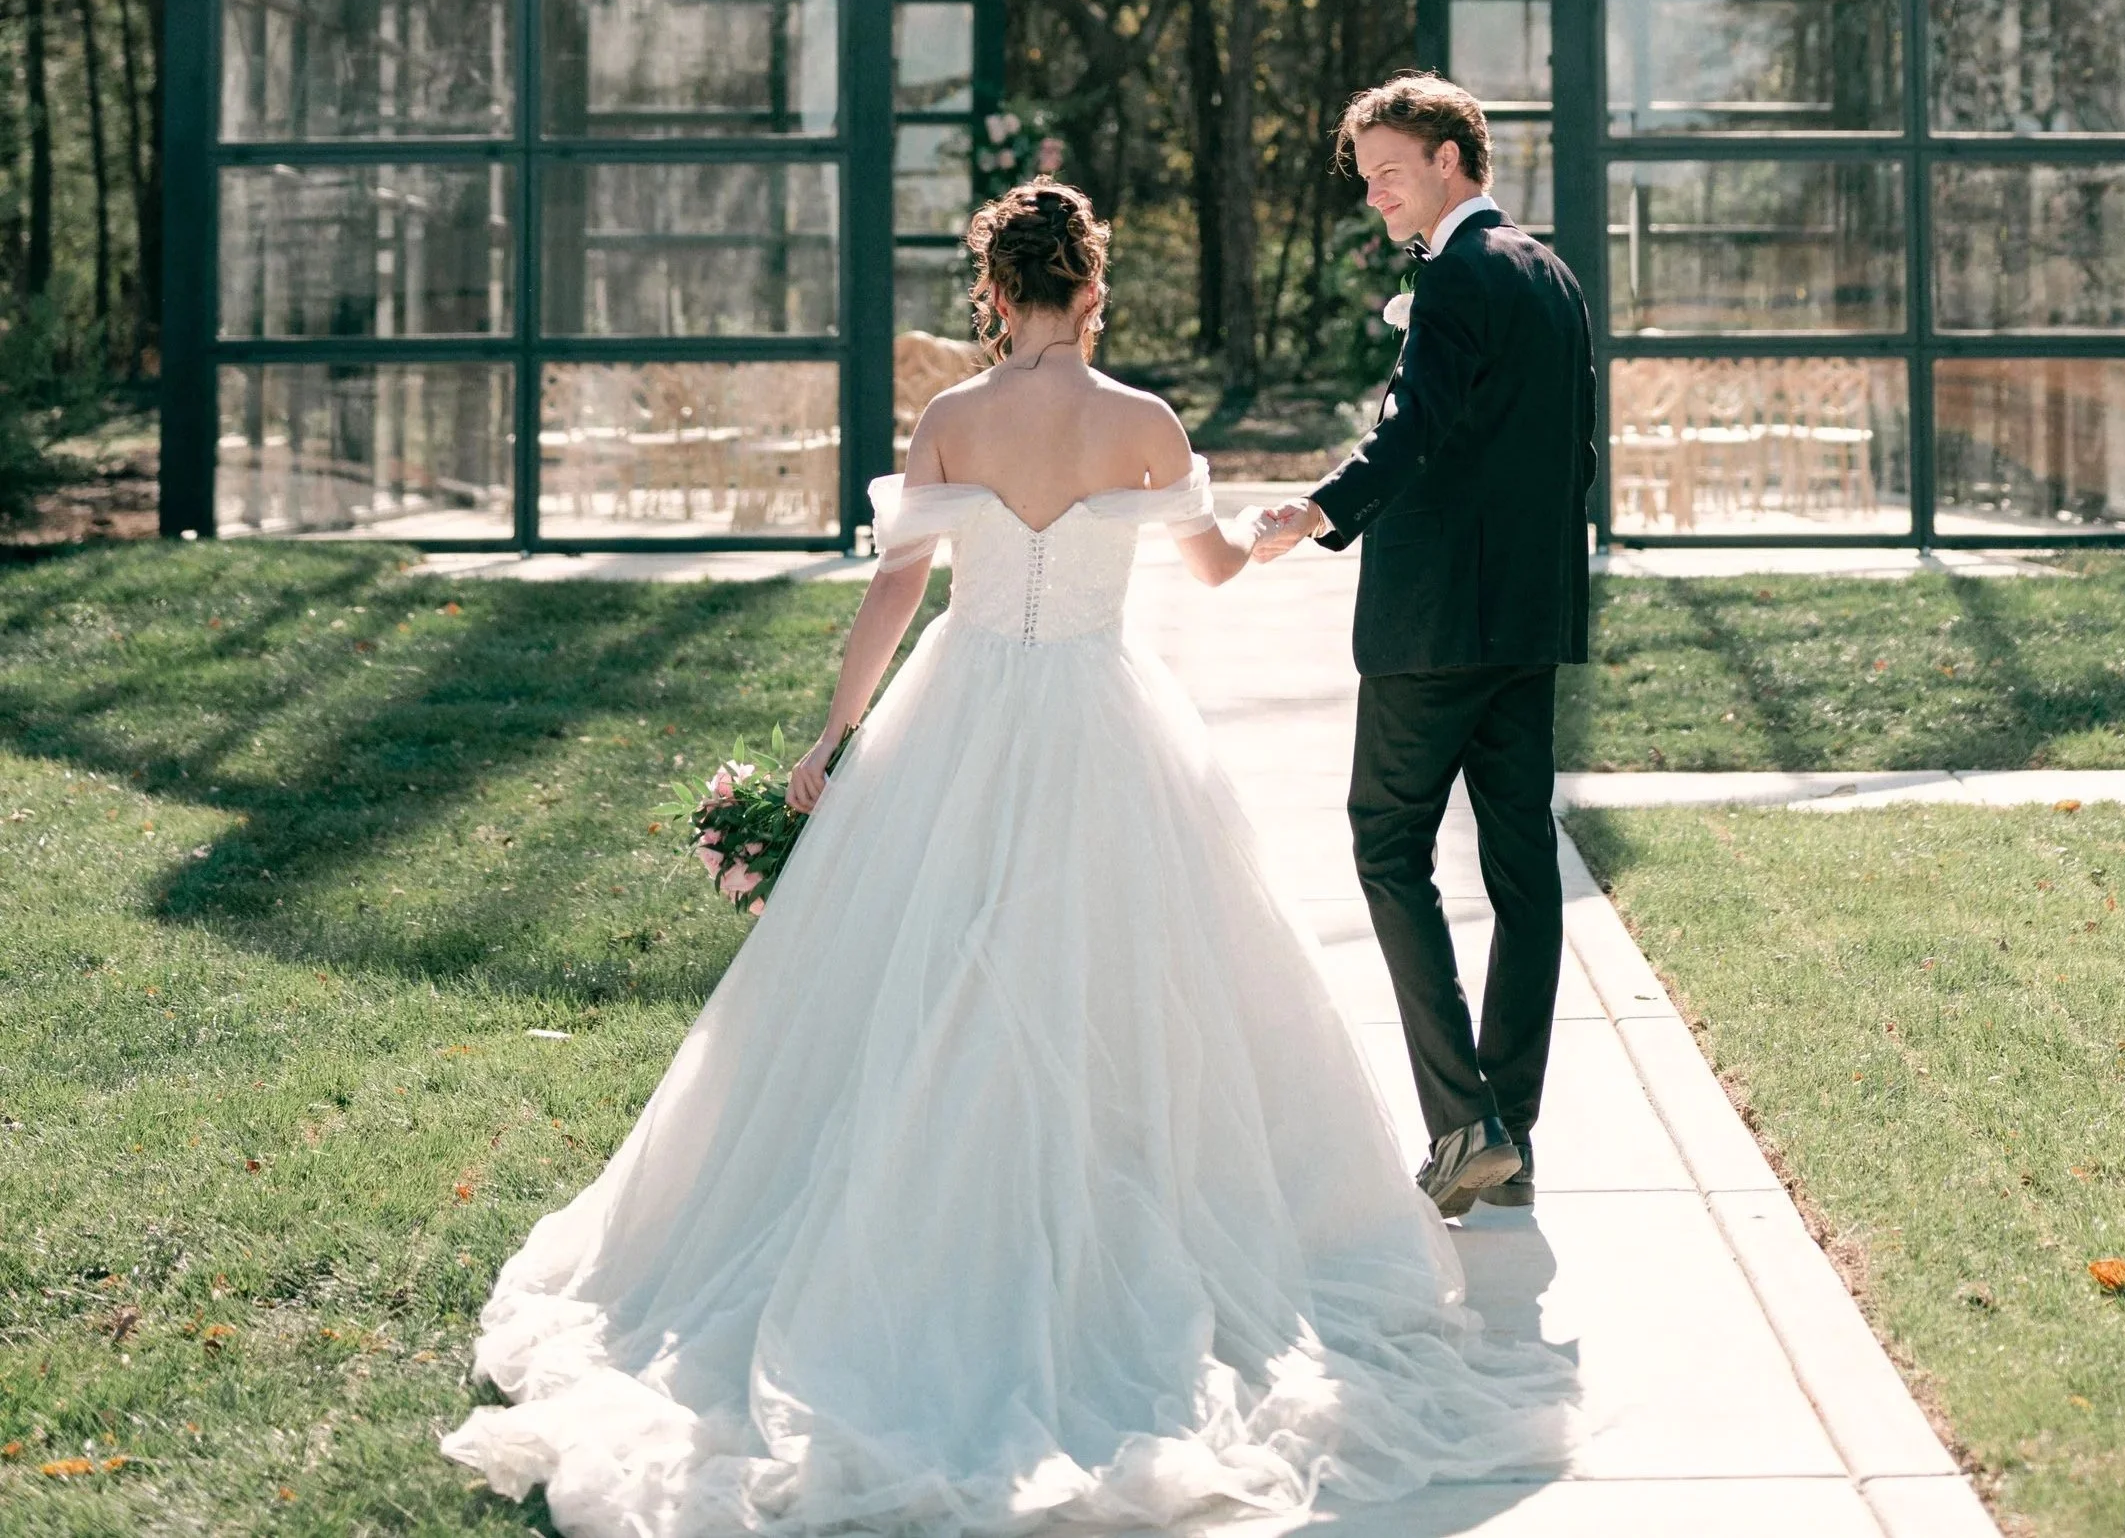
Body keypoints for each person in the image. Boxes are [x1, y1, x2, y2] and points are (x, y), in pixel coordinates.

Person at [443, 178, 1568, 1538]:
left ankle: (929, 1221)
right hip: (1102, 716)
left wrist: (834, 735)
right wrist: (1280, 527)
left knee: (929, 967)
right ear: (1090, 288)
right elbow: (1210, 571)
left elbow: (899, 586)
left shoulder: (952, 418)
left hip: (960, 711)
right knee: (1125, 982)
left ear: (994, 293)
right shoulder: (1143, 421)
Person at [1251, 75, 1597, 1223]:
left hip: (1434, 626)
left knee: (1388, 842)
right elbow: (1573, 456)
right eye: (1366, 178)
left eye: (1390, 172)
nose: (1375, 195)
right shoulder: (1551, 276)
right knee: (1521, 866)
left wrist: (1317, 508)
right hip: (1527, 621)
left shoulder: (1453, 274)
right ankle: (1511, 1133)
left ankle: (1462, 1121)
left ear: (1452, 158)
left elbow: (1414, 427)